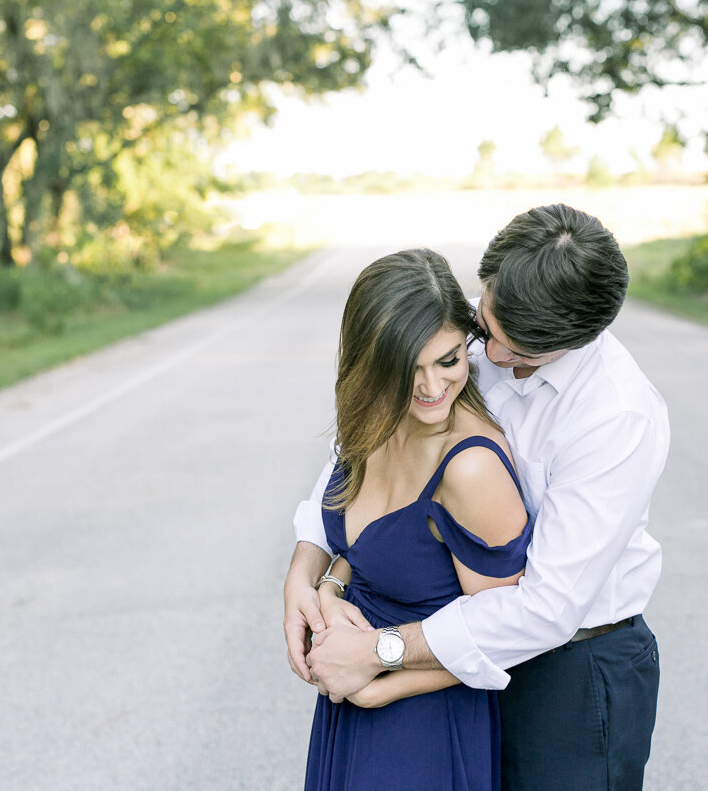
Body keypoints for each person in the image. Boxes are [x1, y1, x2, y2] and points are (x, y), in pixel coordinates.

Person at [286, 204, 670, 790]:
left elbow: (545, 610)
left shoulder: (615, 416)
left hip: (571, 675)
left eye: (519, 353)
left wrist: (381, 652)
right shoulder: (461, 340)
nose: (487, 357)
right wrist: (311, 568)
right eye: (486, 330)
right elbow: (370, 442)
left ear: (578, 339)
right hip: (454, 666)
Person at [294, 247, 533, 791]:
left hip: (423, 730)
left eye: (449, 360)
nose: (430, 388)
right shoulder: (373, 419)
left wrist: (380, 682)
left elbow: (507, 632)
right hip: (347, 713)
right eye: (407, 370)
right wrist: (327, 584)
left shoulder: (470, 466)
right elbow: (365, 545)